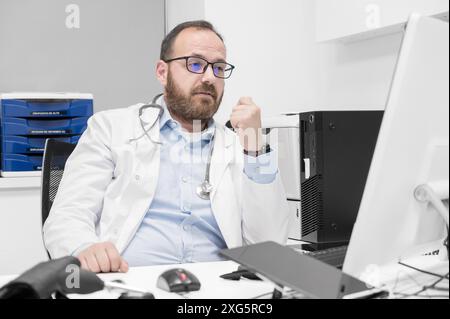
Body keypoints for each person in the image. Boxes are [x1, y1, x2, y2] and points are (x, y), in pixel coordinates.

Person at [43, 20, 289, 273]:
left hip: (217, 285)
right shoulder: (110, 128)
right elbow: (66, 216)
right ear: (162, 72)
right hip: (130, 280)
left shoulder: (241, 147)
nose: (208, 77)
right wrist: (84, 246)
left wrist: (256, 150)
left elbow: (270, 243)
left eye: (218, 68)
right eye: (195, 64)